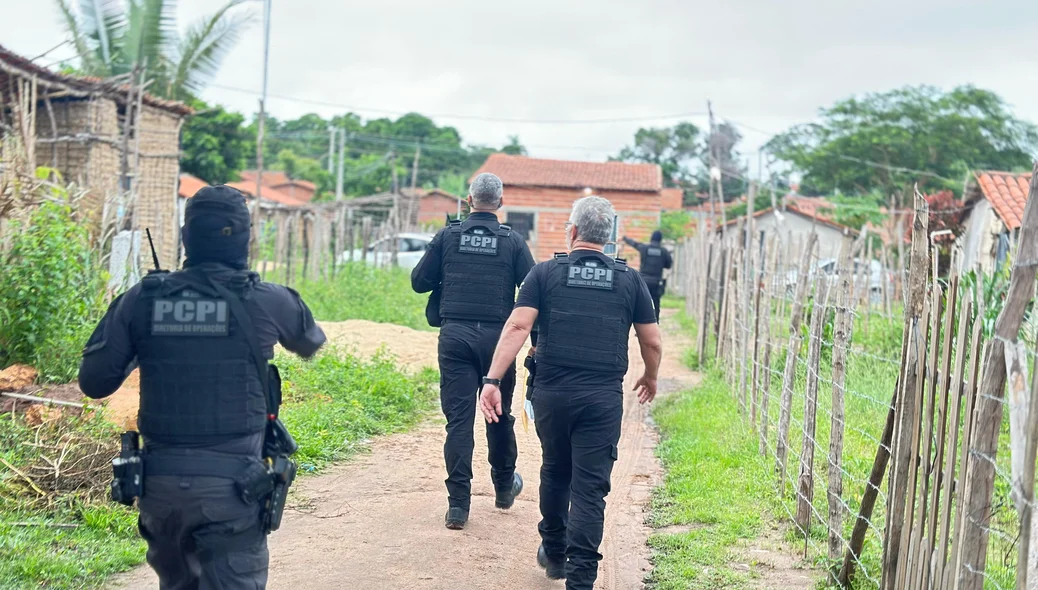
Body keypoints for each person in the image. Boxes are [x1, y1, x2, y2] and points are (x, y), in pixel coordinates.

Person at [78, 185, 326, 589]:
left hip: (161, 492)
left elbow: (94, 383)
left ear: (186, 236)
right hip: (234, 493)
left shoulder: (141, 299)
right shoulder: (267, 300)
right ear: (246, 238)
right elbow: (309, 341)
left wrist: (155, 341)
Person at [479, 196, 663, 588]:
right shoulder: (629, 280)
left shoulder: (545, 274)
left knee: (556, 470)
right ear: (609, 237)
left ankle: (554, 552)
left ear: (573, 231)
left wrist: (493, 380)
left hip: (552, 393)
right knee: (590, 488)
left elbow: (516, 328)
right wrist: (650, 375)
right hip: (601, 399)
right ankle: (581, 578)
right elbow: (652, 341)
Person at [411, 172, 536, 530]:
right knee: (498, 413)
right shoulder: (513, 242)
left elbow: (419, 282)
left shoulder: (448, 236)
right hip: (499, 342)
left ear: (468, 200)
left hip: (455, 337)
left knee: (459, 421)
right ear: (500, 203)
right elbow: (530, 292)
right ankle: (502, 487)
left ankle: (458, 506)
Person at [622, 230, 673, 322]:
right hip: (656, 282)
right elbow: (668, 265)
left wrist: (625, 238)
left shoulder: (644, 248)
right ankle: (655, 324)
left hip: (643, 281)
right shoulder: (664, 251)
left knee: (641, 303)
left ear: (651, 238)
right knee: (656, 304)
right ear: (660, 240)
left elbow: (634, 244)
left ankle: (640, 327)